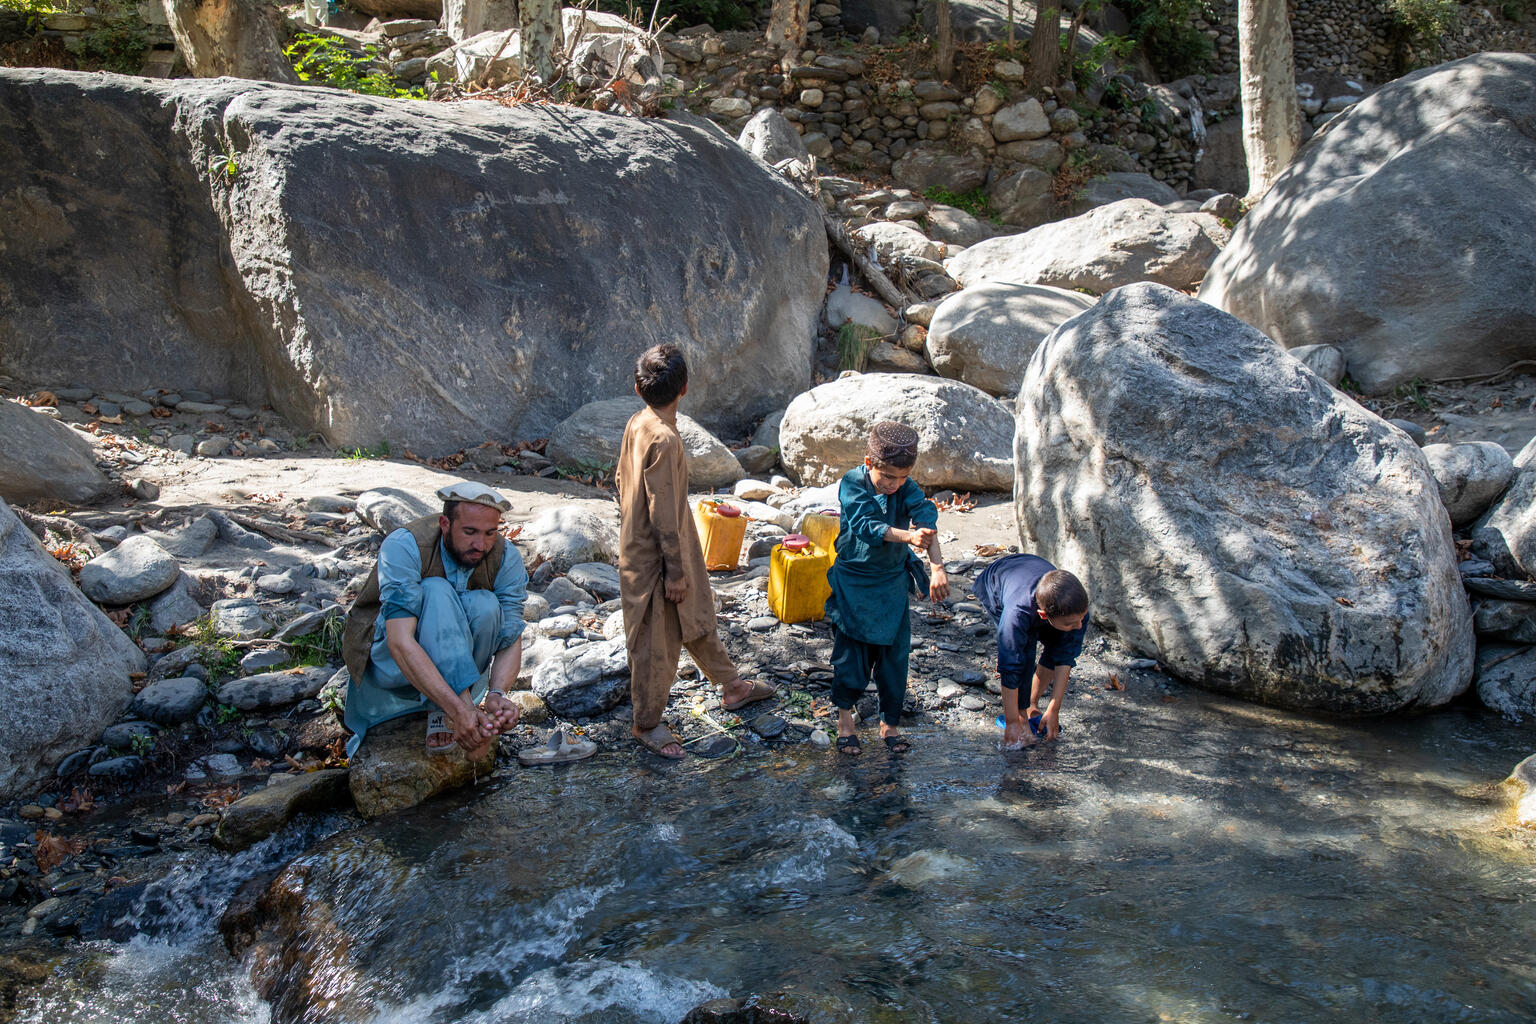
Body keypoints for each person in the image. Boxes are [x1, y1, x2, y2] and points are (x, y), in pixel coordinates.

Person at [616, 344, 776, 758]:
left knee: (697, 615)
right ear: (685, 389)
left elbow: (621, 480)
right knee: (656, 639)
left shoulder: (638, 422)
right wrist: (674, 570)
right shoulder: (665, 439)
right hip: (658, 554)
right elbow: (664, 511)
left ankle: (732, 686)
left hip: (659, 544)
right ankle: (646, 723)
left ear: (637, 388)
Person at [341, 481, 528, 759]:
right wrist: (459, 709)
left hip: (459, 659)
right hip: (390, 663)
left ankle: (458, 708)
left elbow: (511, 635)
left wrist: (497, 694)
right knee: (436, 590)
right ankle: (450, 708)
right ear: (444, 523)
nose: (481, 544)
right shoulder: (404, 545)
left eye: (490, 533)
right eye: (470, 532)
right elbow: (400, 641)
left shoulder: (505, 556)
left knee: (486, 604)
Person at [825, 421, 950, 756]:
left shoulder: (905, 487)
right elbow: (866, 526)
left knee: (895, 657)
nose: (895, 485)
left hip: (891, 582)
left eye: (903, 477)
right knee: (851, 655)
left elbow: (927, 521)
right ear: (870, 464)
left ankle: (889, 722)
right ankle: (845, 721)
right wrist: (908, 537)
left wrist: (937, 568)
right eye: (888, 477)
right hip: (855, 581)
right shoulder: (853, 483)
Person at [973, 554, 1089, 747]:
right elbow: (1010, 667)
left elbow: (1065, 656)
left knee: (1058, 646)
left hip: (1039, 585)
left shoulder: (1076, 611)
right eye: (1071, 623)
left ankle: (1032, 704)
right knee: (1024, 654)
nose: (1079, 625)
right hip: (997, 583)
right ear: (1043, 615)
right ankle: (1021, 715)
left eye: (1082, 618)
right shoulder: (1016, 615)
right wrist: (1012, 721)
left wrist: (1054, 708)